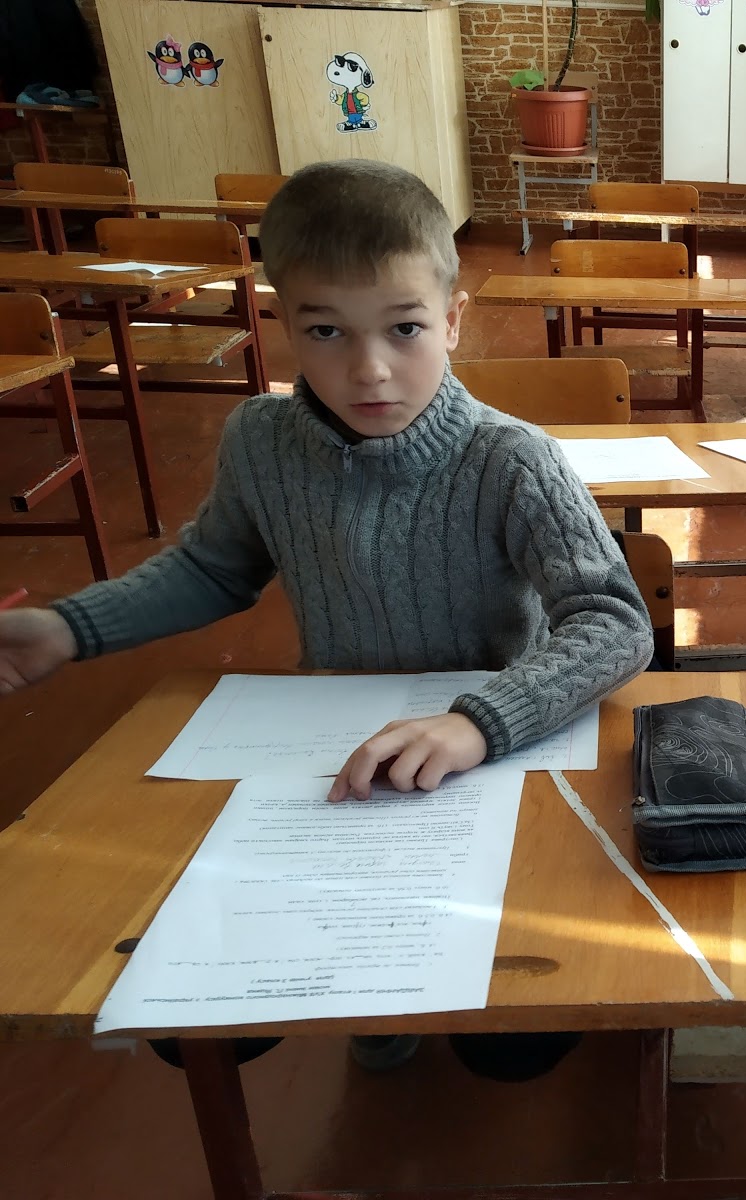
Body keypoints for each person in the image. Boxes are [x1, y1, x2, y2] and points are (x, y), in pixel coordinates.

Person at [0, 159, 654, 1081]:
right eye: (326, 331)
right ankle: (370, 984)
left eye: (405, 328)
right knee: (206, 1023)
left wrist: (477, 722)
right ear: (284, 327)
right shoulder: (259, 442)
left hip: (495, 747)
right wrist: (67, 628)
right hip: (334, 756)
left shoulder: (511, 459)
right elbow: (214, 568)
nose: (370, 369)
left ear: (453, 318)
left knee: (516, 1042)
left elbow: (614, 621)